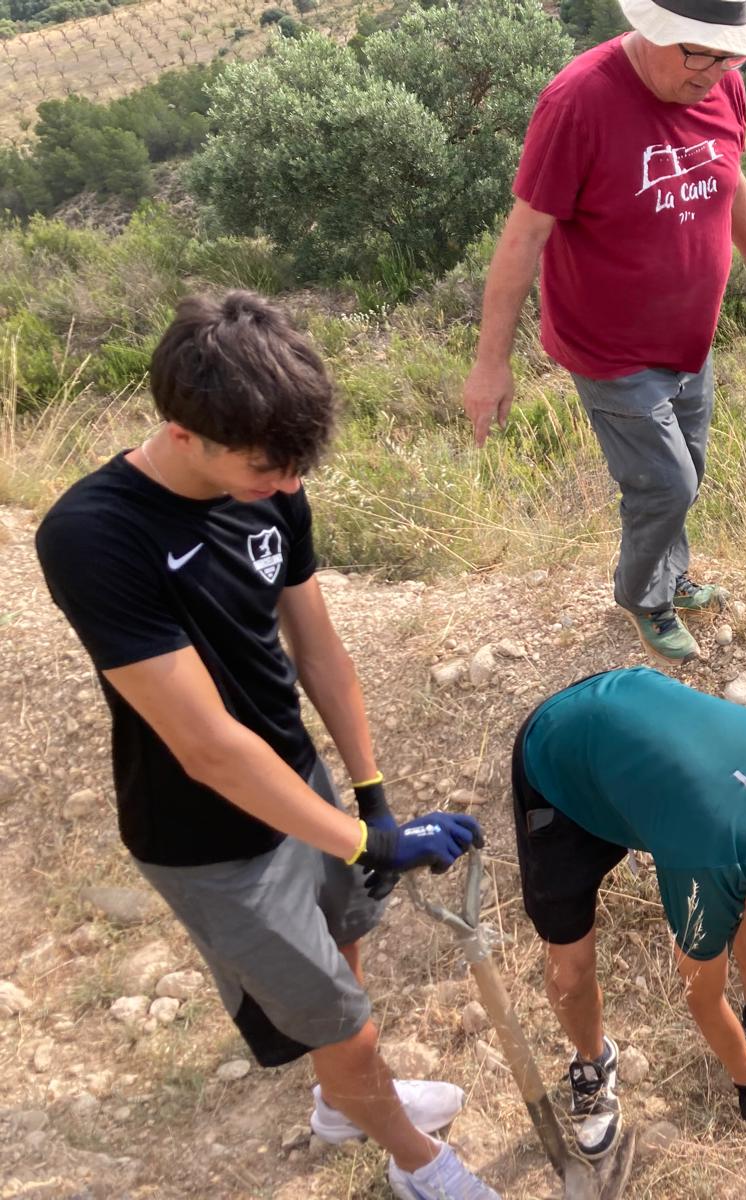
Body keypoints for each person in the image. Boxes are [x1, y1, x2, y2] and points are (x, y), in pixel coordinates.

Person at [34, 293, 496, 1200]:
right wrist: (366, 843)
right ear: (182, 431)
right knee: (343, 1023)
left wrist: (369, 799)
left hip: (299, 783)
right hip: (209, 837)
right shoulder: (93, 536)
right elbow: (207, 747)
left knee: (346, 948)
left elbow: (317, 649)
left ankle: (343, 1105)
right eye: (263, 467)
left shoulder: (273, 490)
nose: (285, 486)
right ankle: (417, 1163)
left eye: (296, 468)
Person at [462, 0, 746, 665]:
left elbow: (730, 178)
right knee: (665, 484)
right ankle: (642, 595)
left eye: (726, 55)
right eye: (697, 52)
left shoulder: (722, 83)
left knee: (688, 473)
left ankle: (669, 577)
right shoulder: (579, 101)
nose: (712, 72)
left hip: (689, 336)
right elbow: (523, 236)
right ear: (653, 30)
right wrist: (490, 363)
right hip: (609, 346)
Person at [510, 667, 746, 1157]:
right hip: (560, 759)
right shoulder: (705, 867)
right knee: (569, 972)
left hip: (635, 729)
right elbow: (702, 995)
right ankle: (592, 1059)